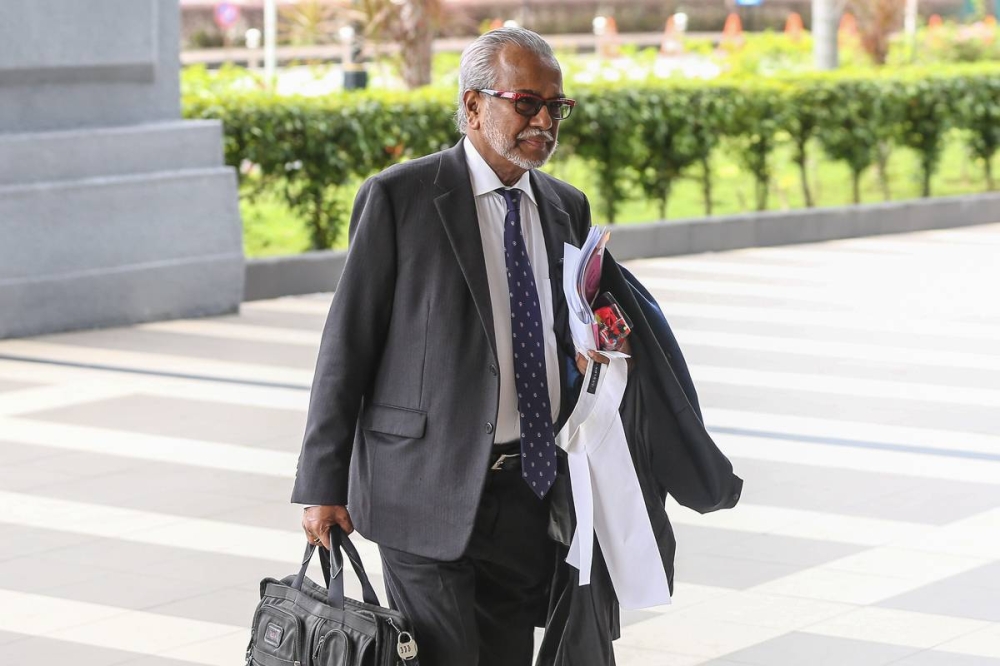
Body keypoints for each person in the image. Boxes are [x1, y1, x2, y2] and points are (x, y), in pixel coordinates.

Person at [292, 27, 605, 665]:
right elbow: (347, 343)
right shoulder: (400, 197)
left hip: (529, 489)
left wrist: (590, 350)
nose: (544, 121)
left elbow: (562, 324)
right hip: (422, 487)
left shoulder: (565, 207)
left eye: (556, 107)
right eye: (526, 102)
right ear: (472, 106)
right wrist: (322, 483)